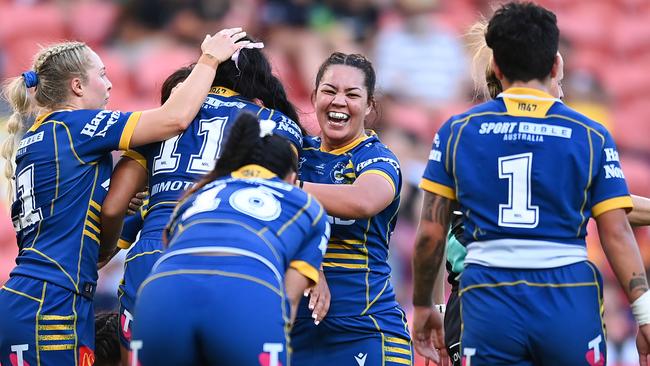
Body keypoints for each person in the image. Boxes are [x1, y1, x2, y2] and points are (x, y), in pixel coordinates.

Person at [410, 3, 650, 365]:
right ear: (556, 65)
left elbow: (430, 233)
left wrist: (423, 304)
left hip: (488, 301)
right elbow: (615, 232)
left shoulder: (457, 132)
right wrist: (645, 316)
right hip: (567, 298)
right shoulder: (590, 135)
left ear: (496, 66)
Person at [0, 29, 248, 365]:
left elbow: (87, 239)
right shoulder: (75, 127)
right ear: (77, 86)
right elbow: (174, 119)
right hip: (52, 302)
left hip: (33, 295)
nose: (110, 84)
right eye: (101, 75)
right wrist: (209, 59)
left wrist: (112, 213)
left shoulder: (40, 135)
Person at [99, 40, 304, 365]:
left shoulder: (162, 118)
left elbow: (112, 207)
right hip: (230, 252)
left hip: (154, 255)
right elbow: (279, 200)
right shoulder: (276, 124)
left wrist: (105, 250)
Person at [129, 112, 329, 365]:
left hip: (160, 292)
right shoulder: (307, 205)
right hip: (244, 288)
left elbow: (170, 246)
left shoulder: (197, 194)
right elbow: (287, 301)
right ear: (291, 179)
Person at [291, 52, 413, 366]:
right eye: (329, 91)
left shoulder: (378, 159)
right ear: (314, 96)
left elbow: (363, 200)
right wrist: (309, 261)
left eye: (352, 94)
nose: (339, 101)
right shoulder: (293, 153)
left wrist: (284, 188)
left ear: (370, 105)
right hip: (292, 333)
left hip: (365, 327)